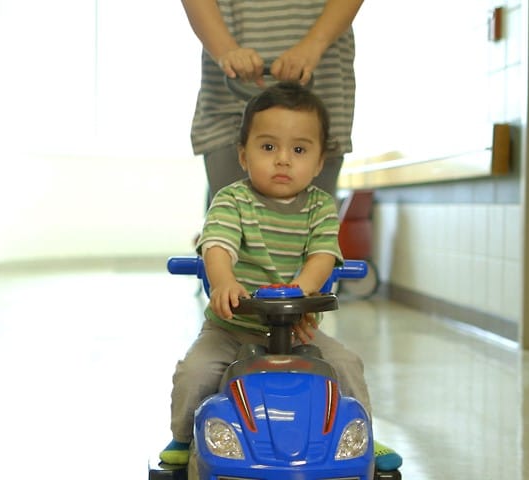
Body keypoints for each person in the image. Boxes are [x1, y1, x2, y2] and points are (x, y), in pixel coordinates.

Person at [160, 82, 401, 472]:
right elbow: (217, 244)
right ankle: (184, 437)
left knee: (346, 362)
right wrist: (222, 280)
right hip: (232, 327)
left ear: (320, 162)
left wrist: (300, 291)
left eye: (299, 149)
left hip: (300, 327)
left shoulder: (321, 207)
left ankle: (361, 438)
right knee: (195, 371)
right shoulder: (232, 201)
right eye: (268, 147)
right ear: (243, 154)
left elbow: (323, 256)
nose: (283, 160)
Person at [181, 0, 362, 208]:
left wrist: (314, 44)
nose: (282, 160)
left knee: (313, 228)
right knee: (230, 224)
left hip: (322, 85)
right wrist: (226, 50)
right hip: (230, 96)